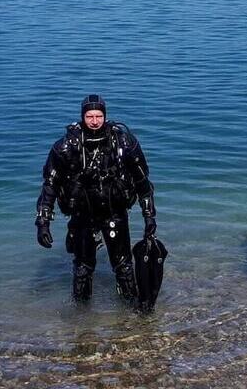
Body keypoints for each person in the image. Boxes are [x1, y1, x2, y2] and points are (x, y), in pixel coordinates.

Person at [35, 94, 157, 303]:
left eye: (98, 116)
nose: (94, 121)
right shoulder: (66, 147)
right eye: (89, 116)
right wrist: (43, 223)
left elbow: (142, 182)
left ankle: (133, 316)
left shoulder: (123, 142)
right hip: (83, 215)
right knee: (83, 269)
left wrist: (149, 216)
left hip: (114, 212)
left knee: (124, 266)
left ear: (105, 116)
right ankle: (80, 323)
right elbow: (50, 185)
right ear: (82, 117)